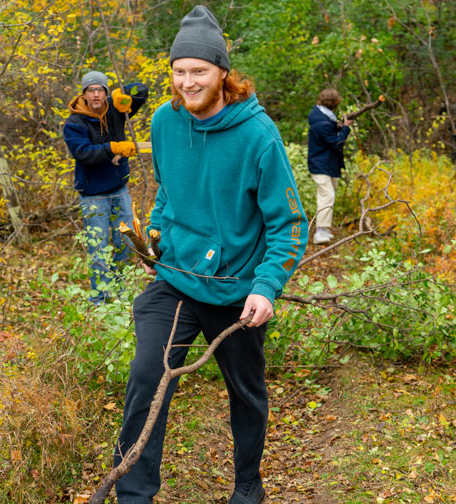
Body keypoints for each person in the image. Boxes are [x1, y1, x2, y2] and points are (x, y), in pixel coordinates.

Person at [110, 5, 306, 504]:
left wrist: (265, 288)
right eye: (179, 72)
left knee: (247, 394)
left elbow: (288, 223)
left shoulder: (258, 135)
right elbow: (171, 192)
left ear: (223, 72)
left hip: (237, 289)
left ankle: (248, 487)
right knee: (146, 375)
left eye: (198, 71)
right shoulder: (163, 121)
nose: (187, 82)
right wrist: (155, 231)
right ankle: (132, 494)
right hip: (175, 278)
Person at [63, 71, 148, 303]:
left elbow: (141, 91)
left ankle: (123, 294)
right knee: (99, 248)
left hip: (119, 189)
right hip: (93, 196)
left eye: (101, 89)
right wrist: (113, 147)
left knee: (127, 242)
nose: (97, 94)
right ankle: (99, 299)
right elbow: (83, 153)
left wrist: (123, 94)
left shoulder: (115, 109)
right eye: (92, 90)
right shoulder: (75, 122)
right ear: (84, 94)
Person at [307, 88, 353, 244]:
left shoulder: (324, 118)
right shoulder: (322, 121)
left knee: (328, 195)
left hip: (329, 164)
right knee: (328, 195)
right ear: (334, 103)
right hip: (321, 164)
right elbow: (336, 143)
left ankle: (324, 230)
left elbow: (330, 136)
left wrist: (339, 127)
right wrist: (346, 128)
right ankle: (320, 232)